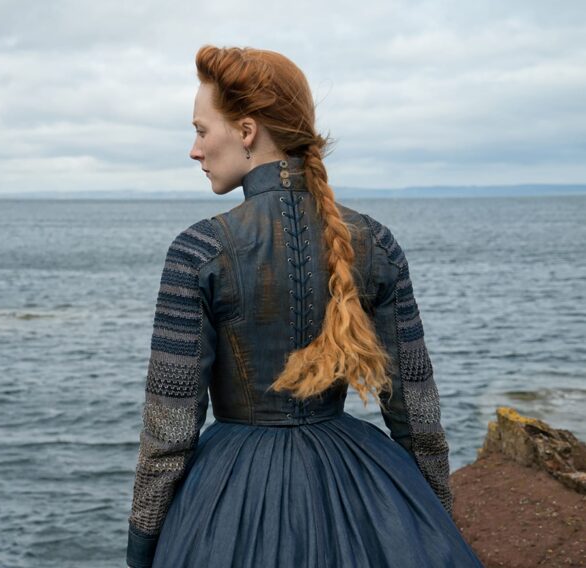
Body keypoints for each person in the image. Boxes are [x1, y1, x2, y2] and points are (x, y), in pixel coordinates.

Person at [126, 46, 482, 567]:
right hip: (357, 478)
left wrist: (143, 546)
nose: (194, 150)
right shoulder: (375, 243)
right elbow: (417, 413)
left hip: (229, 497)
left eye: (202, 131)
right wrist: (430, 516)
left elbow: (169, 435)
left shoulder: (199, 251)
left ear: (246, 131)